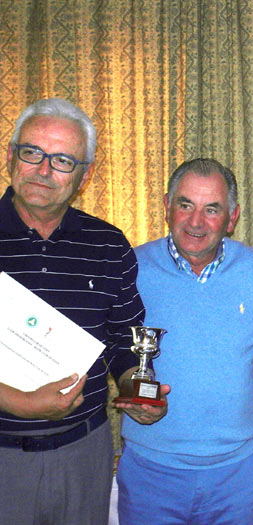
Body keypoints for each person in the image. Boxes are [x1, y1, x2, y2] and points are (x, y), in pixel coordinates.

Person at [0, 98, 166, 525]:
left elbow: (123, 341)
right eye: (32, 152)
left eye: (62, 160)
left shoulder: (108, 244)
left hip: (83, 454)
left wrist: (137, 388)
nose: (43, 170)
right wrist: (19, 403)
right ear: (11, 155)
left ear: (85, 174)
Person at [117, 158, 253, 525]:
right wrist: (132, 389)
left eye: (212, 209)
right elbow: (113, 350)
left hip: (236, 475)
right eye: (185, 205)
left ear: (232, 217)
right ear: (167, 206)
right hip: (150, 471)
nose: (196, 222)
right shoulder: (130, 269)